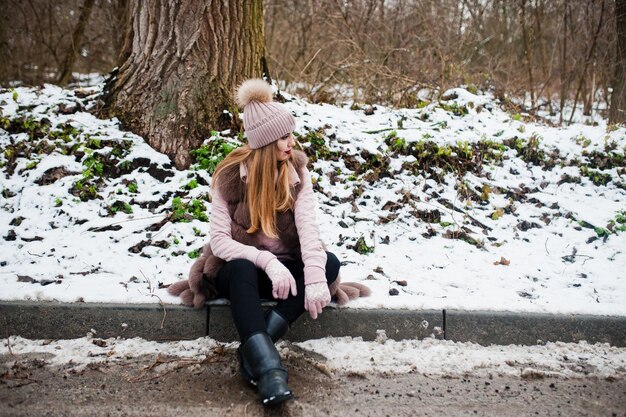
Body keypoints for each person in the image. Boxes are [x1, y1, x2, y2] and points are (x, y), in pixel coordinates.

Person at [168, 78, 369, 406]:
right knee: (243, 267)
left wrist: (316, 277)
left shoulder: (298, 174)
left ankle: (254, 353)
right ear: (265, 142)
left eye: (291, 135)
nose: (292, 143)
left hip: (284, 279)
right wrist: (268, 261)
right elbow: (219, 242)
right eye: (284, 137)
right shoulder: (229, 177)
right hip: (242, 275)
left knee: (328, 263)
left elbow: (308, 232)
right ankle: (270, 371)